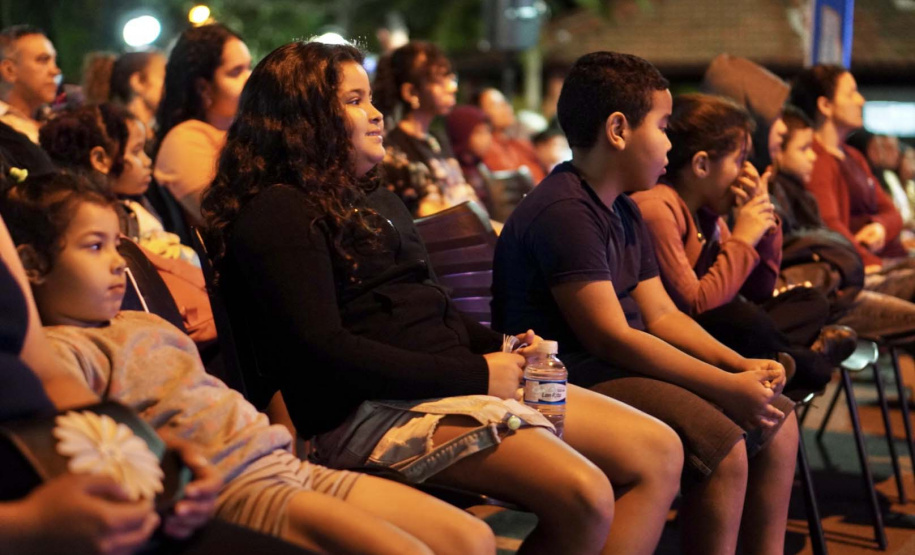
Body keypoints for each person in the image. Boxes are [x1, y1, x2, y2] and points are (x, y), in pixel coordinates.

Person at [203, 40, 684, 555]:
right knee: (584, 495)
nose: (375, 115)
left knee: (658, 452)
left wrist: (503, 346)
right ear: (301, 117)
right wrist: (478, 375)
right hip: (367, 411)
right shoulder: (280, 211)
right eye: (354, 101)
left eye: (370, 99)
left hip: (436, 385)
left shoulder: (374, 198)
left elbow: (430, 312)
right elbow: (324, 354)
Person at [3, 169, 496, 555]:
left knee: (471, 539)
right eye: (94, 246)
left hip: (282, 461)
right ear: (30, 266)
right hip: (236, 485)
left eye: (116, 244)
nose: (117, 262)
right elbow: (91, 438)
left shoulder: (147, 325)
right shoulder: (64, 349)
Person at [492, 51, 798, 555]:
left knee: (777, 418)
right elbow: (610, 337)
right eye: (662, 126)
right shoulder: (566, 210)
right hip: (567, 375)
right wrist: (727, 386)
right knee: (724, 448)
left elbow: (662, 315)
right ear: (618, 129)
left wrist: (739, 365)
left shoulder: (624, 209)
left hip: (612, 366)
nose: (670, 143)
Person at [632, 93, 852, 393]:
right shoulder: (658, 207)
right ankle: (799, 362)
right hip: (683, 339)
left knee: (809, 302)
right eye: (739, 160)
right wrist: (744, 236)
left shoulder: (709, 212)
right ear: (701, 165)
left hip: (719, 327)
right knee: (742, 319)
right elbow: (697, 306)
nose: (746, 171)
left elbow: (758, 289)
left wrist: (764, 227)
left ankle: (783, 359)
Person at [39, 104, 215, 346]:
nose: (147, 161)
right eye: (137, 151)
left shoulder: (134, 207)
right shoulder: (106, 218)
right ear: (100, 159)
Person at [789, 65, 912, 279]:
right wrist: (871, 262)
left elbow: (893, 214)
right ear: (825, 105)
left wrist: (881, 228)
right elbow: (831, 228)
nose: (860, 100)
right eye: (851, 93)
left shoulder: (853, 156)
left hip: (887, 261)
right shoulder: (816, 160)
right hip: (866, 270)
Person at [154, 24, 251, 225]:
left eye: (249, 67)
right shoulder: (184, 140)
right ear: (203, 87)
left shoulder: (241, 133)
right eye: (235, 72)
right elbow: (224, 218)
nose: (249, 78)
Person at [373, 41, 480, 217]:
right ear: (410, 92)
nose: (453, 87)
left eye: (451, 78)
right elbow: (427, 219)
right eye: (439, 80)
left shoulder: (435, 139)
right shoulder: (393, 150)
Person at [0, 25, 60, 144]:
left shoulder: (55, 120)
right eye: (43, 60)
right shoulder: (4, 129)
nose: (55, 71)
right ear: (9, 71)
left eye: (54, 61)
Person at [474, 87, 547, 183]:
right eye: (496, 104)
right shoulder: (485, 149)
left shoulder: (520, 144)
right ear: (480, 112)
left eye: (505, 102)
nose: (506, 106)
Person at [444, 104, 492, 210]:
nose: (487, 139)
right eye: (479, 133)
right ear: (461, 134)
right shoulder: (452, 171)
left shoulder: (479, 167)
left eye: (488, 131)